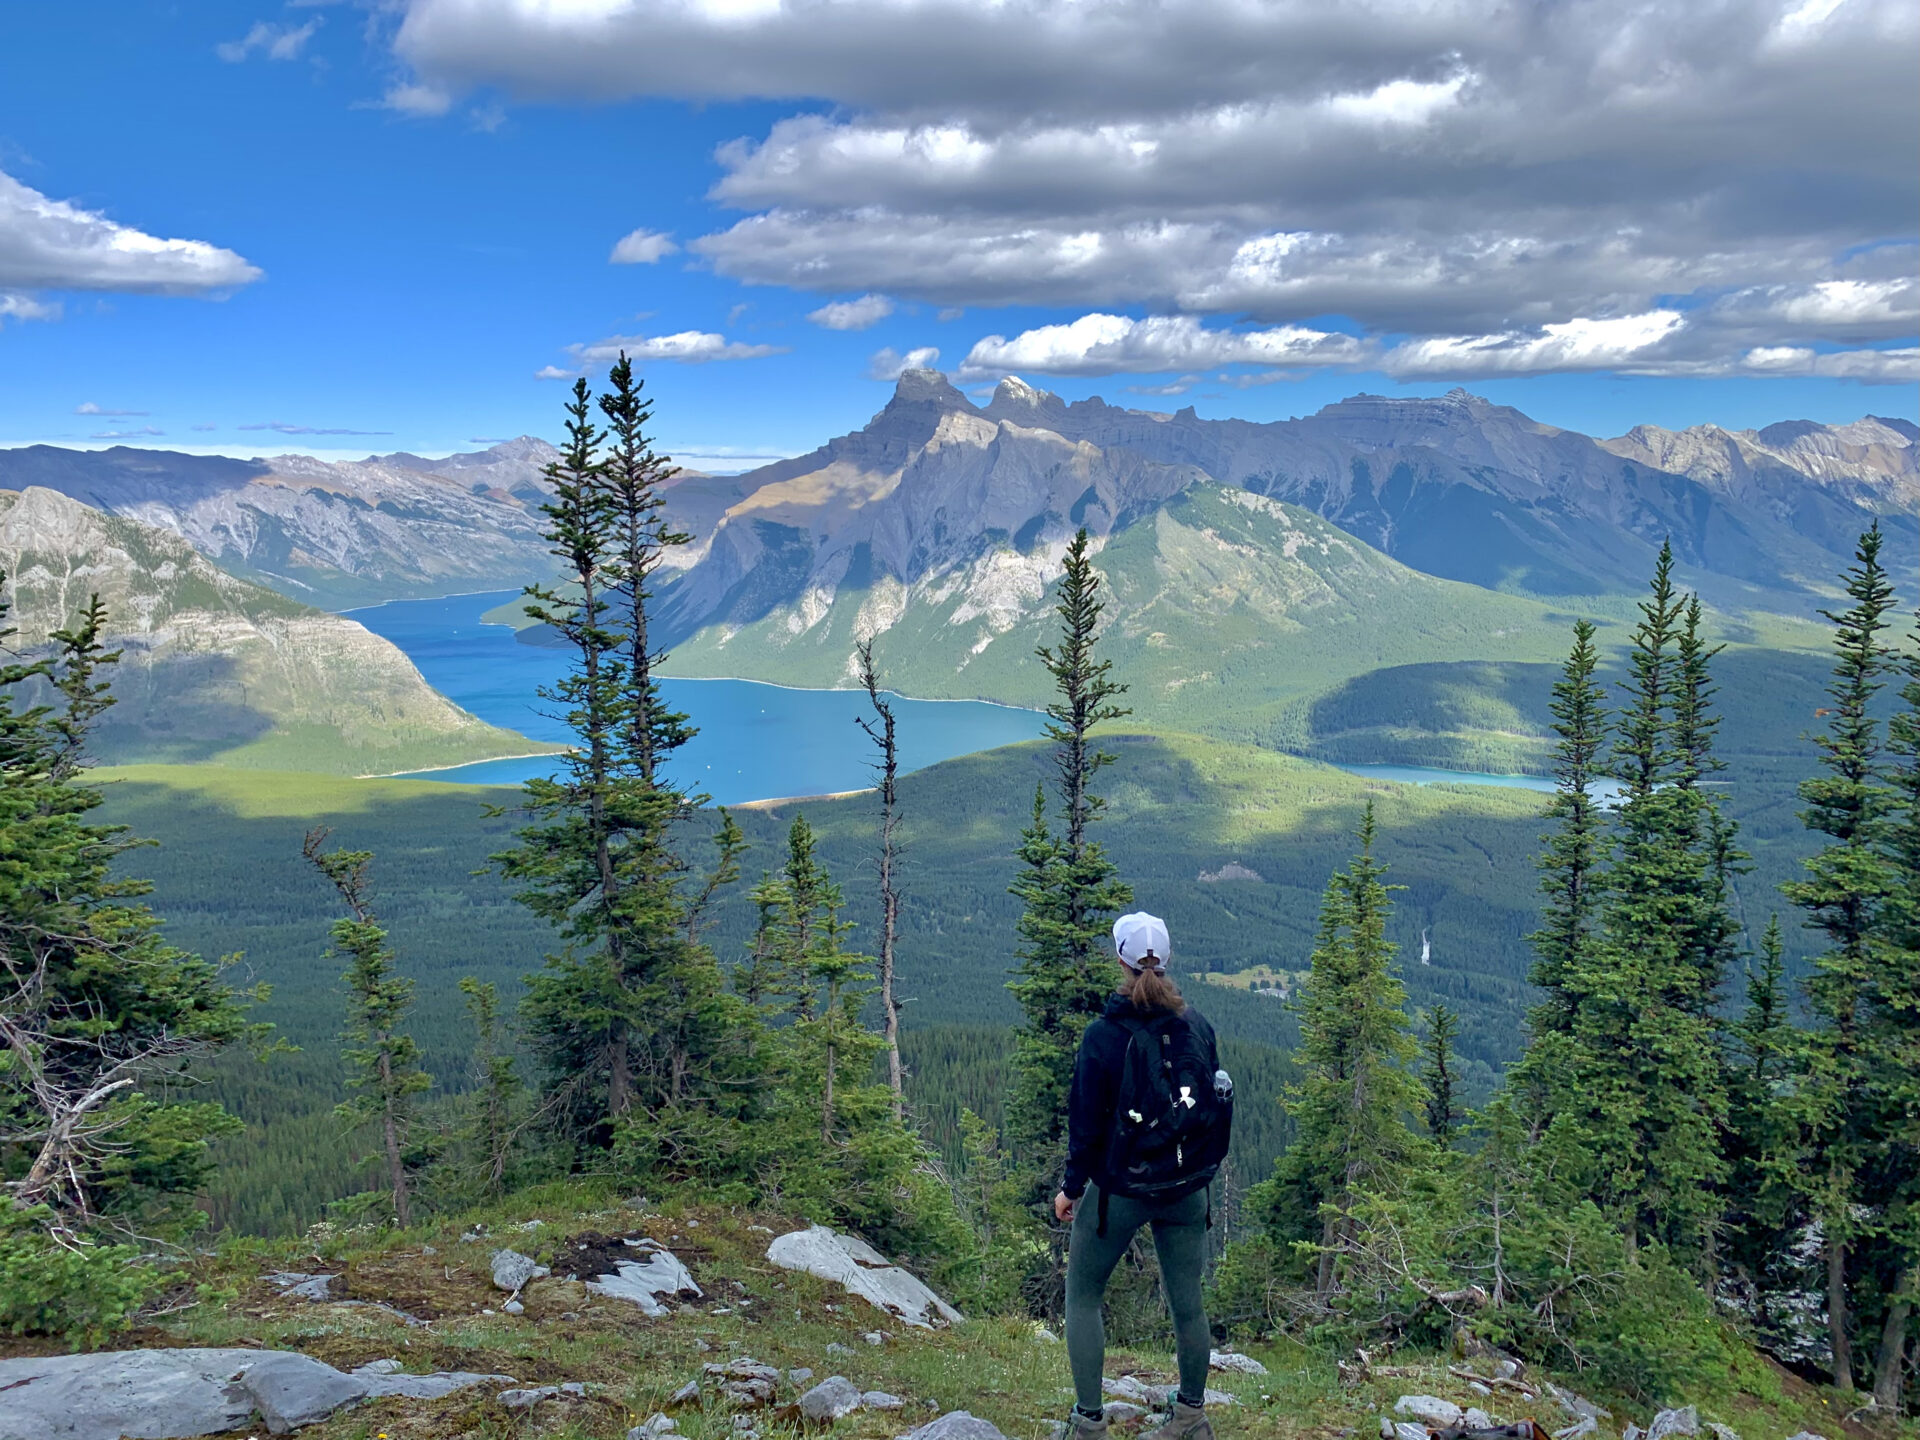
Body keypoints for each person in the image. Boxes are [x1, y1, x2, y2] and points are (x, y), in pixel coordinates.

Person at [1055, 912, 1231, 1440]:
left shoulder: (1104, 1036)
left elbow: (1085, 1124)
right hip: (1185, 1189)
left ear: (1121, 962)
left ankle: (1089, 1424)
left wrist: (1071, 1189)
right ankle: (1190, 1418)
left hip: (1122, 1190)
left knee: (1083, 1294)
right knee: (1188, 1302)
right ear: (1166, 961)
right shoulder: (1197, 1026)